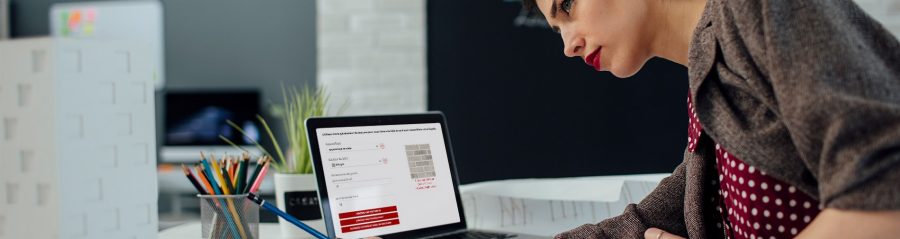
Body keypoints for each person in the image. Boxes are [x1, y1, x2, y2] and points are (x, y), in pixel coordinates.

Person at [518, 0, 900, 238]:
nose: (568, 46)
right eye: (557, 31)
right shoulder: (709, 78)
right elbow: (653, 219)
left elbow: (887, 185)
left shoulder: (759, 9)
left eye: (567, 5)